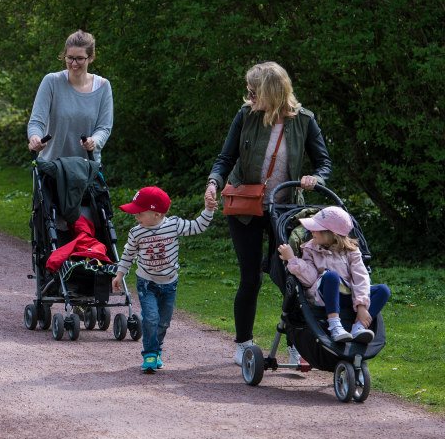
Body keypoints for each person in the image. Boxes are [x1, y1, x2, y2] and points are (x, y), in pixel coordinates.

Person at [204, 61, 332, 366]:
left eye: (253, 91)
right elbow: (226, 157)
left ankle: (297, 344)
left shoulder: (304, 120)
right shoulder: (245, 115)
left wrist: (316, 179)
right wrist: (213, 183)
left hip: (285, 211)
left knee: (292, 278)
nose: (248, 96)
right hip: (245, 209)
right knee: (250, 278)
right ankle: (243, 343)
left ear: (272, 91)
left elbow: (324, 163)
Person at [112, 186, 217, 373]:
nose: (135, 216)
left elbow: (198, 226)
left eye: (140, 213)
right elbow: (128, 254)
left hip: (169, 283)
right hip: (146, 282)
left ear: (157, 214)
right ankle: (150, 354)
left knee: (164, 322)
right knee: (151, 318)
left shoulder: (174, 225)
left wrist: (208, 210)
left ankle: (157, 349)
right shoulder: (136, 232)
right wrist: (120, 274)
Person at [277, 206, 390, 343]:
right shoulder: (309, 249)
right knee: (331, 276)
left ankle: (359, 326)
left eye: (316, 228)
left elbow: (360, 278)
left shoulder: (351, 251)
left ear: (331, 234)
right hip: (323, 295)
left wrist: (361, 306)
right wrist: (292, 259)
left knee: (383, 290)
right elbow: (310, 279)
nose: (311, 231)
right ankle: (335, 325)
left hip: (348, 295)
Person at [27, 30, 113, 162]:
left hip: (87, 167)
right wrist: (35, 137)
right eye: (70, 57)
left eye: (80, 58)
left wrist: (94, 141)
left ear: (91, 58)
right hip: (52, 166)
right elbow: (36, 122)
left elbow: (104, 127)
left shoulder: (103, 86)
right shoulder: (51, 81)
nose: (74, 63)